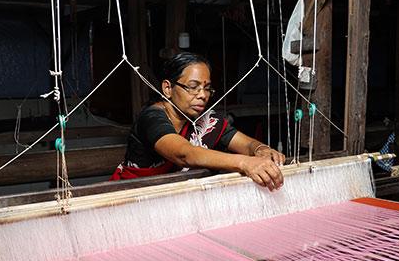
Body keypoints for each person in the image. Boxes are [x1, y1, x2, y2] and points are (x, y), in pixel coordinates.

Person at [111, 52, 286, 190]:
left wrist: (261, 150)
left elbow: (247, 144)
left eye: (207, 88)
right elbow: (184, 154)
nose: (202, 95)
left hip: (175, 198)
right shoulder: (152, 117)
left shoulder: (206, 120)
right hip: (133, 197)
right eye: (193, 87)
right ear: (167, 88)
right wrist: (244, 163)